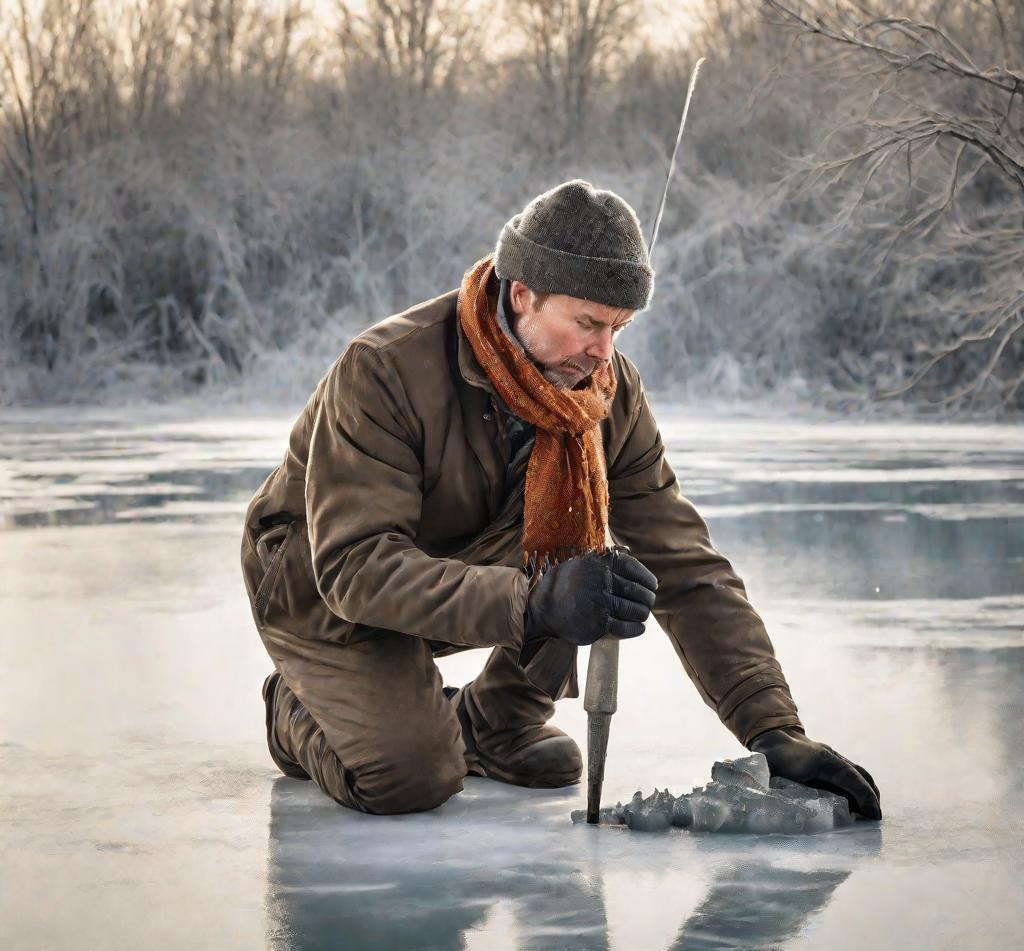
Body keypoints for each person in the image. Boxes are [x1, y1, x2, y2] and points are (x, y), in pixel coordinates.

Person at [240, 179, 882, 821]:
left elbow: (687, 566)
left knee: (586, 558)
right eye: (587, 323)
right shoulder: (385, 369)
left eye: (619, 327)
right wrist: (538, 603)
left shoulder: (604, 395)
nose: (604, 351)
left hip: (453, 555)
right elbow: (356, 568)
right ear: (523, 295)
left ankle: (493, 723)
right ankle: (295, 708)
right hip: (317, 584)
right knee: (412, 777)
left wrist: (773, 732)